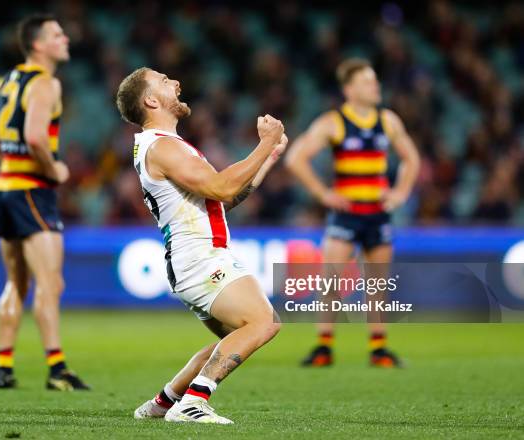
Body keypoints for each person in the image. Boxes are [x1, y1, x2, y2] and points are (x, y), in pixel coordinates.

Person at [116, 67, 287, 424]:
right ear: (150, 100)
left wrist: (267, 159)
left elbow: (224, 199)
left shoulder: (164, 147)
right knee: (263, 322)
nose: (176, 82)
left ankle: (164, 402)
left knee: (239, 335)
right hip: (198, 257)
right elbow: (223, 188)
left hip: (192, 258)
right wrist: (265, 142)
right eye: (164, 81)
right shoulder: (162, 146)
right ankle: (193, 402)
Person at [0, 14, 89, 390]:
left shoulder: (7, 80)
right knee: (50, 282)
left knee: (15, 283)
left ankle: (2, 367)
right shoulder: (46, 84)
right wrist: (53, 169)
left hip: (4, 188)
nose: (66, 38)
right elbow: (36, 137)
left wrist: (8, 163)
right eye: (57, 34)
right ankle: (57, 369)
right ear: (39, 44)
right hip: (31, 193)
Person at [285, 58, 420, 368]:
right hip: (347, 214)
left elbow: (412, 159)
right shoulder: (333, 122)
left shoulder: (388, 120)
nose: (376, 86)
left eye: (375, 81)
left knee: (376, 284)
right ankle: (324, 346)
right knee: (331, 281)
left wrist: (400, 193)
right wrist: (323, 194)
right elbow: (296, 158)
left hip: (378, 213)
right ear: (349, 89)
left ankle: (378, 348)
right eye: (367, 82)